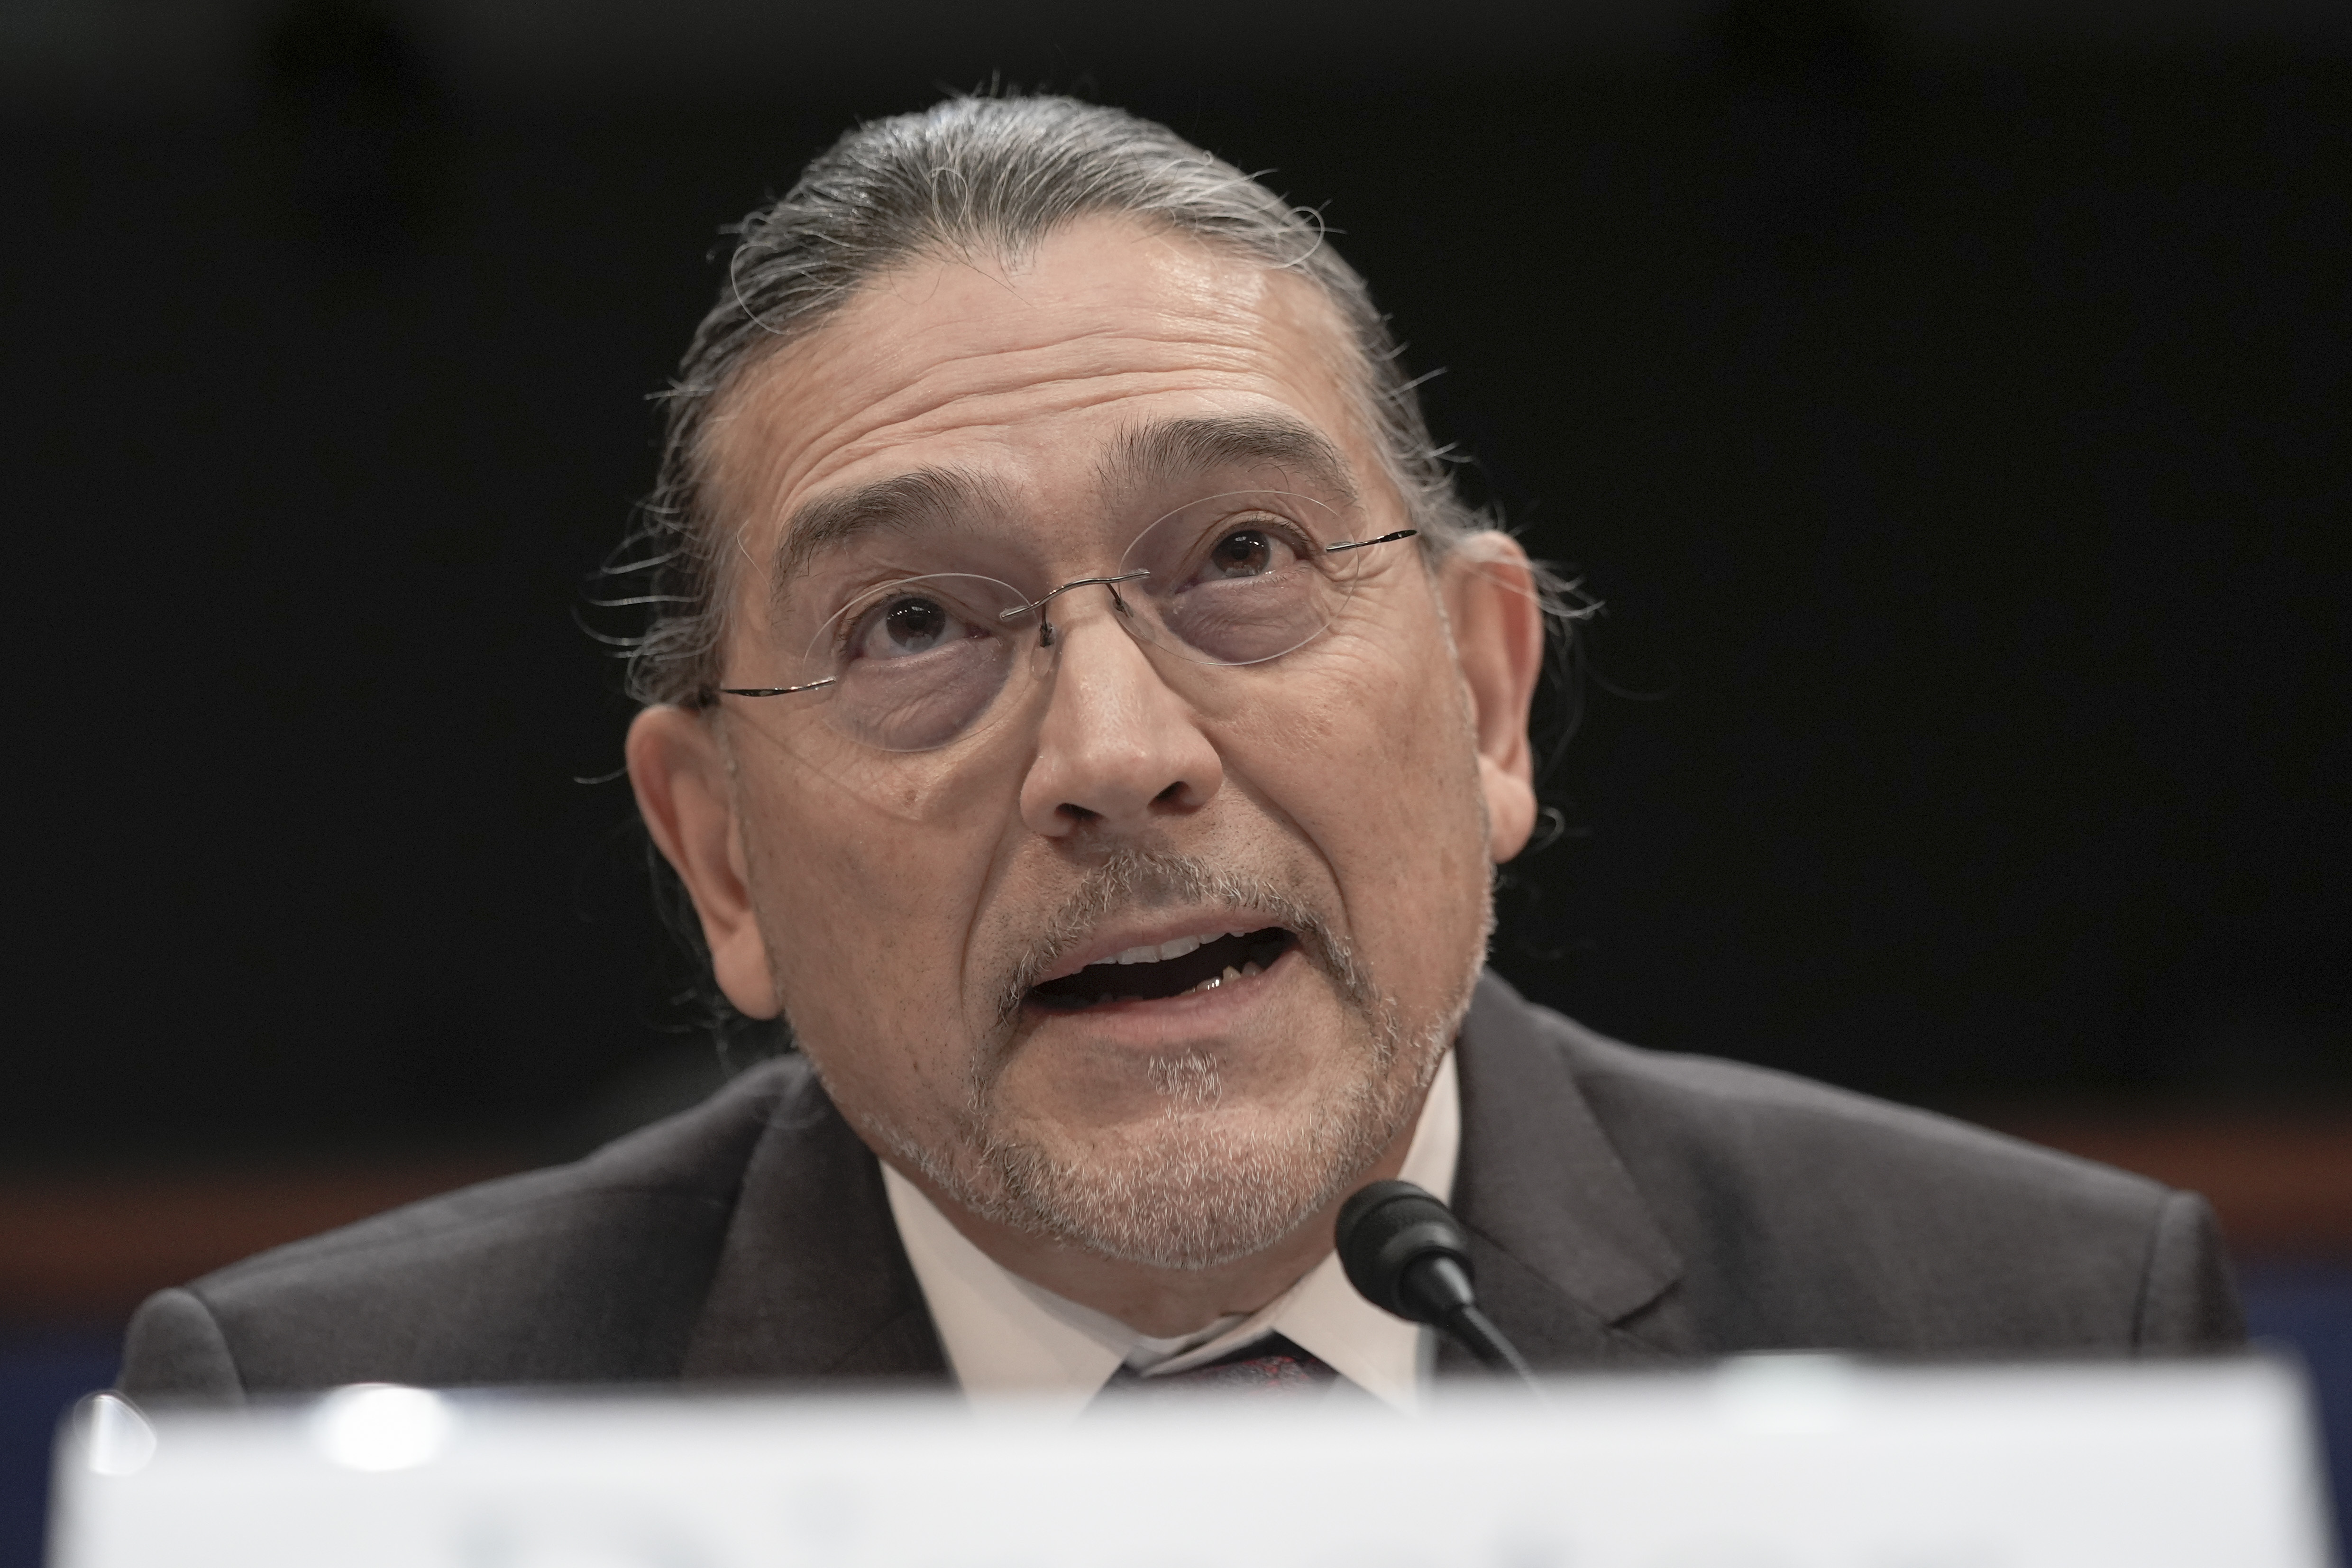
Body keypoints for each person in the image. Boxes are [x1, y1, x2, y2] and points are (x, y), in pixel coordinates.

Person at [119, 95, 2239, 1410]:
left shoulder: (2033, 1339)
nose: (1114, 755)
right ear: (723, 858)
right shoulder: (346, 1433)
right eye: (915, 623)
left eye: (1238, 554)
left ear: (1487, 694)